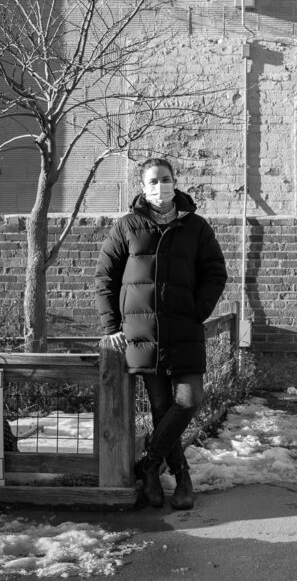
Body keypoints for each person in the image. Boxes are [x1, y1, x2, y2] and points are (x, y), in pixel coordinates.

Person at [95, 157, 227, 510]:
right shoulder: (127, 227)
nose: (159, 186)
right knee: (160, 406)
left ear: (174, 182)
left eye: (165, 179)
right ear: (142, 186)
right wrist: (112, 327)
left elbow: (215, 272)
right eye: (152, 181)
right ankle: (181, 478)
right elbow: (105, 279)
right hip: (142, 334)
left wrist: (197, 310)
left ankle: (150, 464)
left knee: (189, 399)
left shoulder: (196, 227)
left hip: (184, 330)